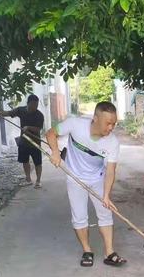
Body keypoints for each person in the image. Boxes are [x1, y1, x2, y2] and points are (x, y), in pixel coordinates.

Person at [46, 101, 127, 268]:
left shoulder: (112, 142)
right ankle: (87, 250)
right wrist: (55, 152)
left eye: (114, 123)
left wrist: (106, 195)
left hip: (97, 178)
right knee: (79, 216)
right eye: (108, 123)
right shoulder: (75, 125)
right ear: (95, 118)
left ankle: (109, 252)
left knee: (105, 213)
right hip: (74, 177)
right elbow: (51, 133)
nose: (111, 127)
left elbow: (110, 171)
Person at [0, 94, 44, 188]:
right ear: (28, 104)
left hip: (35, 142)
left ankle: (38, 181)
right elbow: (8, 113)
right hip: (24, 141)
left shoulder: (39, 115)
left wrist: (28, 127)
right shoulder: (21, 110)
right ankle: (28, 179)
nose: (35, 107)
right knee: (25, 161)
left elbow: (38, 129)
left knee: (38, 162)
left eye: (37, 105)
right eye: (33, 105)